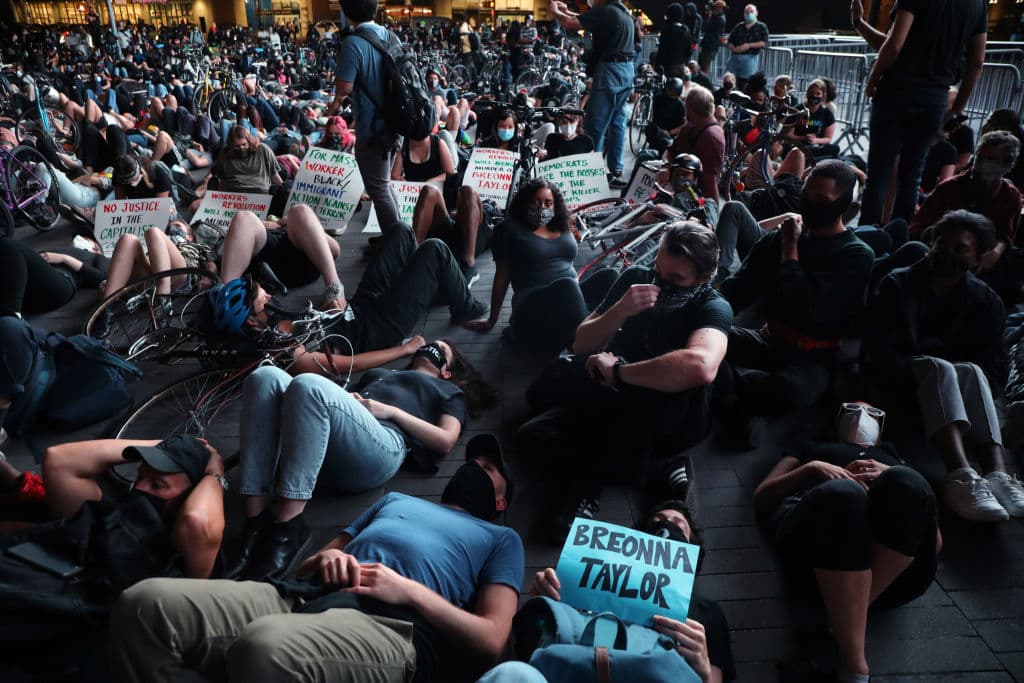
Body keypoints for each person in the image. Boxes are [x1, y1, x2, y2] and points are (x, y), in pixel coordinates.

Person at [108, 445, 523, 683]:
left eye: (487, 468)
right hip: (304, 596)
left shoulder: (502, 539)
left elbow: (491, 641)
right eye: (471, 461)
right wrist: (329, 557)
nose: (473, 467)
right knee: (145, 605)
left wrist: (407, 590)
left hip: (392, 627)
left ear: (500, 500)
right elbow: (308, 564)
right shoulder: (397, 500)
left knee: (266, 648)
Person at [518, 222, 732, 539]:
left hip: (669, 410)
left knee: (618, 411)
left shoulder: (713, 306)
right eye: (658, 269)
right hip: (615, 390)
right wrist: (620, 310)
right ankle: (655, 472)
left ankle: (584, 491)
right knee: (531, 433)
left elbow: (701, 366)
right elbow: (582, 342)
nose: (660, 282)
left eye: (676, 279)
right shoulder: (636, 279)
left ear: (702, 278)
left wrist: (620, 372)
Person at [228, 338, 493, 580]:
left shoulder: (448, 390)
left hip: (384, 445)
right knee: (264, 376)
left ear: (446, 371)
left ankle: (287, 526)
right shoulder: (384, 375)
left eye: (438, 351)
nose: (429, 349)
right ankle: (255, 522)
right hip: (328, 440)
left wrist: (390, 411)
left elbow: (445, 439)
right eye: (427, 346)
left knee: (308, 383)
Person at [0, 436, 225, 675]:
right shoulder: (108, 512)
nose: (140, 489)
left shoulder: (186, 552)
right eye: (139, 477)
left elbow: (196, 520)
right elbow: (59, 459)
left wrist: (214, 472)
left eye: (158, 485)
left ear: (192, 495)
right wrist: (169, 446)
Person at [754, 404, 942, 683]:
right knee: (845, 494)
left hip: (893, 571)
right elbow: (762, 497)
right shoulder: (811, 448)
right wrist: (811, 469)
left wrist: (891, 473)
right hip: (816, 545)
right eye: (852, 407)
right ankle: (853, 666)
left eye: (871, 410)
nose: (862, 414)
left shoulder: (893, 458)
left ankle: (840, 622)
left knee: (908, 482)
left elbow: (933, 542)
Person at [864, 210, 1024, 522]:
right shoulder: (897, 287)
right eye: (942, 243)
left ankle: (996, 474)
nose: (947, 252)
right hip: (904, 391)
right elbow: (878, 355)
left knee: (971, 370)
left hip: (959, 402)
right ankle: (960, 475)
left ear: (977, 255)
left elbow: (995, 365)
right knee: (940, 367)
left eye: (960, 247)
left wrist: (963, 391)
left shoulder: (985, 300)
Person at [482, 500, 736, 683]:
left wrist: (702, 671)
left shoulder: (707, 611)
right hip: (571, 670)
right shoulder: (589, 581)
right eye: (656, 521)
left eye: (678, 524)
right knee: (512, 675)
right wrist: (546, 598)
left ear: (691, 550)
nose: (666, 525)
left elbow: (713, 677)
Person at [718, 161, 874, 421]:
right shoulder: (777, 239)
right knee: (698, 335)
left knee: (793, 391)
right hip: (770, 339)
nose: (810, 203)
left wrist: (790, 248)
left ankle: (729, 389)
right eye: (806, 195)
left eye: (821, 199)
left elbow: (806, 306)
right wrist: (707, 316)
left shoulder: (856, 255)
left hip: (813, 358)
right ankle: (735, 390)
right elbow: (738, 288)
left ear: (843, 204)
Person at [853, 0, 988, 226]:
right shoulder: (978, 5)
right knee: (912, 176)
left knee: (878, 174)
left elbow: (894, 45)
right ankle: (900, 236)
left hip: (895, 92)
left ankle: (868, 237)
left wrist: (873, 80)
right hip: (935, 99)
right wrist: (957, 109)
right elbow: (977, 62)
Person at [463, 179, 587, 351]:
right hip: (532, 305)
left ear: (555, 205)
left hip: (570, 299)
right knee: (568, 285)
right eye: (536, 201)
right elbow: (502, 276)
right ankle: (585, 346)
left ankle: (598, 334)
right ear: (525, 203)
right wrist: (492, 319)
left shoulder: (562, 224)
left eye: (548, 203)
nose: (542, 207)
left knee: (609, 275)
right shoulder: (509, 229)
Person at [909, 131, 1023, 304]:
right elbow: (917, 227)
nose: (983, 163)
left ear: (1007, 165)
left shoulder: (1011, 196)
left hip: (983, 259)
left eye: (992, 159)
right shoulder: (949, 188)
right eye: (980, 157)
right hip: (943, 253)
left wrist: (995, 252)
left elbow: (1005, 234)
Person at [329, 0, 401, 234]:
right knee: (384, 185)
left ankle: (397, 243)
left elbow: (344, 87)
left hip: (373, 128)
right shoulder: (390, 36)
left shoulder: (353, 43)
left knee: (379, 189)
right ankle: (398, 235)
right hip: (396, 120)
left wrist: (335, 104)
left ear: (348, 13)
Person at [548, 0, 634, 188]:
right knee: (617, 123)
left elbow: (571, 24)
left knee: (596, 124)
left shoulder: (607, 11)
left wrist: (555, 12)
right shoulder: (621, 11)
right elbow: (583, 19)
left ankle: (592, 174)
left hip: (611, 70)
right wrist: (567, 11)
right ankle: (614, 171)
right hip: (627, 70)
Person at [668, 85, 724, 204]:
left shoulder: (711, 136)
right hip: (675, 178)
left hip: (690, 194)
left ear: (691, 110)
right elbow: (671, 150)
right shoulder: (691, 126)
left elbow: (710, 181)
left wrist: (711, 213)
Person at [212, 125, 282, 194]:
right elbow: (222, 180)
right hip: (233, 193)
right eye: (236, 146)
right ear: (231, 145)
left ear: (249, 141)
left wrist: (282, 188)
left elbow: (274, 175)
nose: (241, 148)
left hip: (259, 192)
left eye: (244, 144)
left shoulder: (263, 149)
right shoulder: (225, 152)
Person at [784, 79, 838, 158]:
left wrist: (815, 140)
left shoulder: (827, 113)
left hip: (816, 147)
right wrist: (804, 138)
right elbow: (788, 135)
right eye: (812, 93)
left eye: (818, 94)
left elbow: (828, 138)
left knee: (835, 148)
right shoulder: (797, 110)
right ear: (807, 93)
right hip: (797, 146)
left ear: (823, 96)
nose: (814, 96)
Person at [725, 4, 769, 90]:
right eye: (747, 12)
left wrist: (749, 45)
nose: (749, 14)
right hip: (734, 57)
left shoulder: (761, 27)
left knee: (745, 83)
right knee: (729, 80)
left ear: (756, 13)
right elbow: (729, 41)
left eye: (751, 12)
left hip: (750, 58)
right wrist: (734, 48)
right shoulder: (739, 26)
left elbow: (764, 42)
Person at [392, 131, 456, 184]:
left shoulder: (438, 143)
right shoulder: (403, 145)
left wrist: (431, 182)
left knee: (444, 133)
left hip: (435, 188)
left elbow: (450, 173)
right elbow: (395, 176)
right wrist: (407, 185)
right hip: (411, 191)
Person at [646, 77, 686, 155]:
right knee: (651, 128)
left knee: (664, 141)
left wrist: (670, 132)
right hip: (658, 129)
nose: (670, 92)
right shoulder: (658, 98)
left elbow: (685, 124)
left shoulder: (681, 105)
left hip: (671, 134)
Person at [654, 4, 692, 78]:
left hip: (669, 67)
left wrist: (657, 66)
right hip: (682, 66)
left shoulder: (667, 30)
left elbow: (662, 50)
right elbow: (689, 51)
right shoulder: (686, 30)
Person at [699, 1, 728, 75]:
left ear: (720, 9)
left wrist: (709, 16)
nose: (714, 9)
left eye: (715, 8)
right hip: (709, 46)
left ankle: (703, 83)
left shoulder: (720, 19)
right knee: (703, 66)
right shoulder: (718, 18)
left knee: (704, 68)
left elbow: (707, 27)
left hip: (711, 46)